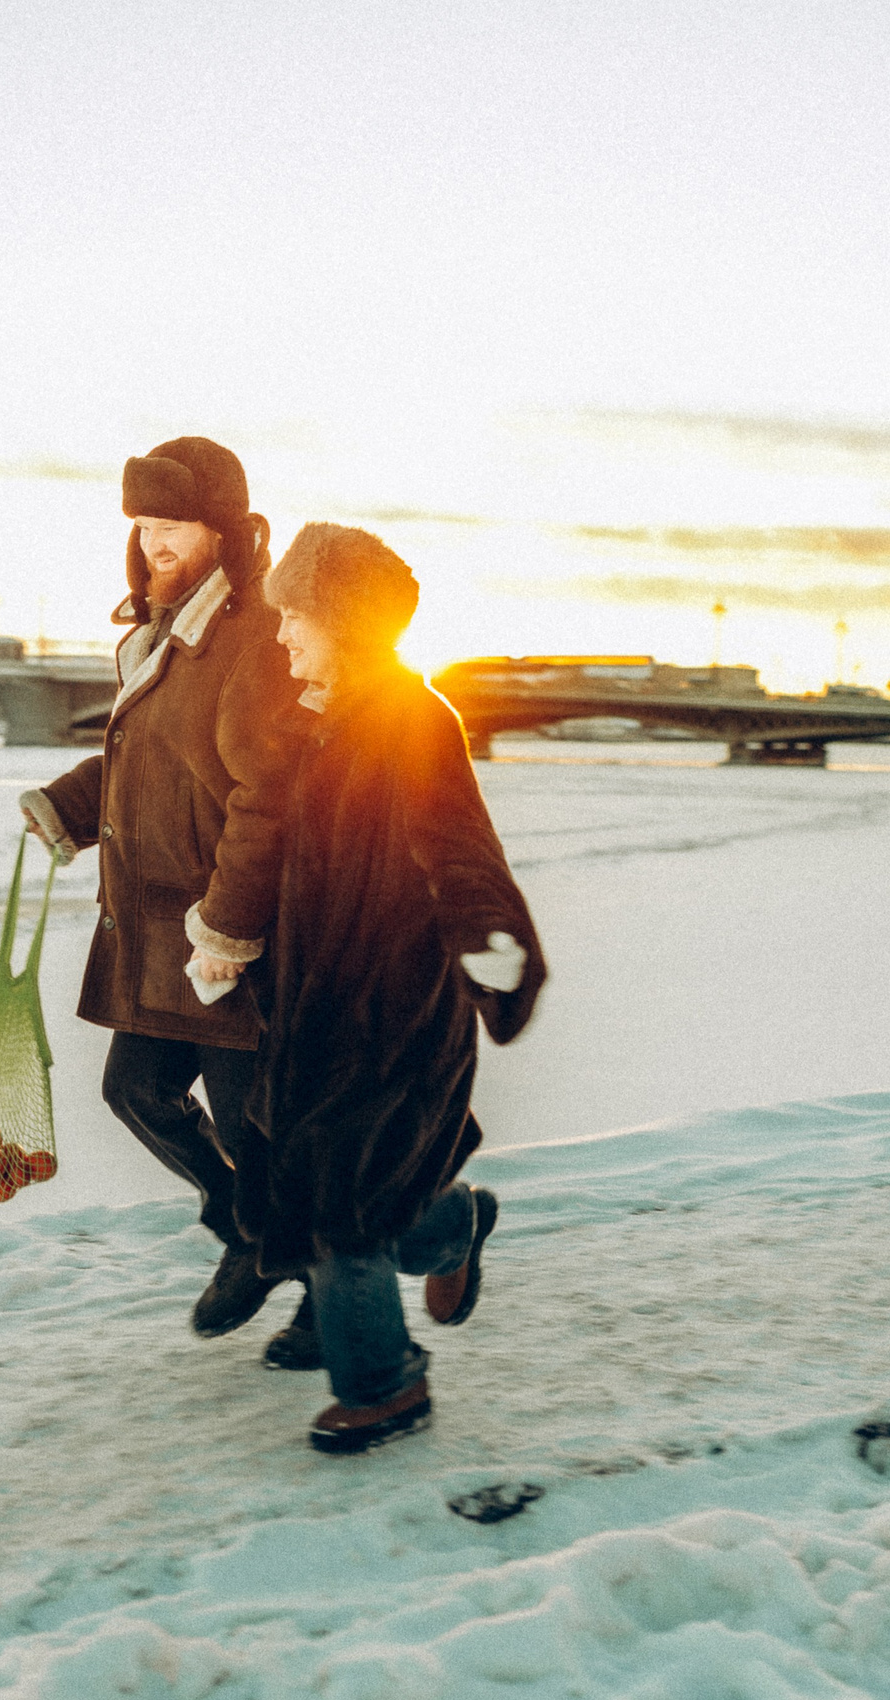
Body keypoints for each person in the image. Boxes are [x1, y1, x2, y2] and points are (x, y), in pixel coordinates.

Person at [246, 523, 545, 1453]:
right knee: (363, 1193)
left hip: (397, 1011)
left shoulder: (416, 720)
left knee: (347, 1206)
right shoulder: (314, 727)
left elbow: (458, 849)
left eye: (296, 616)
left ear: (342, 621)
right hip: (316, 1007)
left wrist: (492, 942)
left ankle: (385, 1387)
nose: (284, 635)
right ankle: (455, 1222)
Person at [20, 437, 308, 1339]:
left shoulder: (252, 634)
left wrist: (227, 930)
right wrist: (69, 805)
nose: (154, 545)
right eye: (143, 527)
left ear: (222, 529)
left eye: (172, 527)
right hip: (156, 926)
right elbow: (150, 755)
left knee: (270, 1143)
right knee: (136, 1091)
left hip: (225, 933)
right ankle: (250, 1234)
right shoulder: (161, 631)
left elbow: (269, 795)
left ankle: (353, 1311)